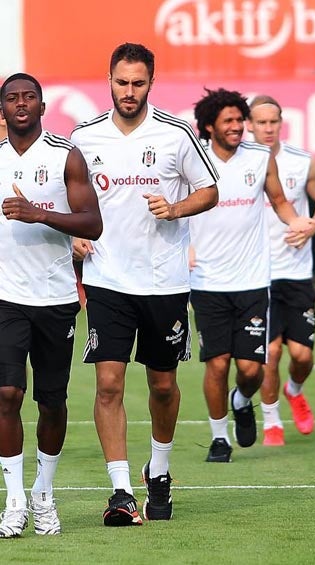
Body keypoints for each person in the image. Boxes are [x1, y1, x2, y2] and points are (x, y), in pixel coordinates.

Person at [70, 42, 220, 526]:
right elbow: (69, 201)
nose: (129, 91)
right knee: (109, 383)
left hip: (164, 281)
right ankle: (120, 492)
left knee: (162, 385)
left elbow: (210, 189)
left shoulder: (175, 134)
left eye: (138, 83)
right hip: (108, 278)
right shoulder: (84, 137)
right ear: (108, 79)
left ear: (151, 83)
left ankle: (159, 470)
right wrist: (74, 236)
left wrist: (175, 209)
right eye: (121, 82)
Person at [189, 89, 315, 462]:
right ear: (210, 125)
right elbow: (178, 205)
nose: (236, 127)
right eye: (228, 121)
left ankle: (241, 400)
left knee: (250, 370)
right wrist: (186, 247)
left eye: (238, 120)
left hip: (252, 281)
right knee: (217, 363)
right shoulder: (193, 158)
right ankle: (219, 438)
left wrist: (297, 223)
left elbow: (278, 201)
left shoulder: (260, 158)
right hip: (208, 281)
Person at [0, 73, 102, 537]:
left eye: (29, 97)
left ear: (42, 106)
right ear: (2, 110)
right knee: (6, 395)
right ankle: (15, 501)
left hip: (56, 298)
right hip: (5, 298)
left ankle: (44, 492)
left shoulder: (66, 154)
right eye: (11, 99)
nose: (21, 104)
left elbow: (93, 223)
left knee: (52, 403)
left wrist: (39, 213)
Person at [245, 95, 315, 447]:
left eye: (273, 122)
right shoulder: (242, 163)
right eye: (261, 122)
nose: (268, 129)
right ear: (249, 124)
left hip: (296, 272)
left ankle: (294, 389)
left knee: (302, 355)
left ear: (281, 123)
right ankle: (271, 422)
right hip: (257, 273)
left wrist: (311, 227)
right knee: (271, 352)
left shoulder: (301, 162)